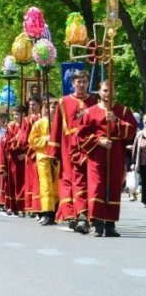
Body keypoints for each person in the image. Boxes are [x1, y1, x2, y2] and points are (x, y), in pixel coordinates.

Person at [76, 81, 137, 237]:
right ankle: (98, 224)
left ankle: (110, 225)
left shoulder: (123, 111)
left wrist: (117, 122)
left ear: (114, 92)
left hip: (115, 153)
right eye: (104, 90)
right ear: (99, 92)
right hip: (97, 155)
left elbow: (131, 131)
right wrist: (98, 140)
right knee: (97, 187)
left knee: (113, 187)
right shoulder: (90, 112)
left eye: (110, 91)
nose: (107, 94)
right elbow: (81, 135)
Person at [47, 70, 96, 232]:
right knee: (70, 180)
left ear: (88, 83)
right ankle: (73, 214)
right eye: (78, 81)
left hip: (89, 146)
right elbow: (56, 128)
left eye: (84, 81)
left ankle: (85, 214)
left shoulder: (94, 102)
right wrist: (53, 151)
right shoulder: (64, 102)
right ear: (72, 83)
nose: (81, 85)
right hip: (69, 148)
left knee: (88, 181)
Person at [28, 102, 58, 225]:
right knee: (46, 186)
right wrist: (44, 139)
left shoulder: (59, 123)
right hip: (43, 157)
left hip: (56, 158)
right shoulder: (39, 123)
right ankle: (47, 212)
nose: (54, 110)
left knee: (56, 185)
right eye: (51, 107)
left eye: (56, 108)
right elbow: (32, 140)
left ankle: (55, 211)